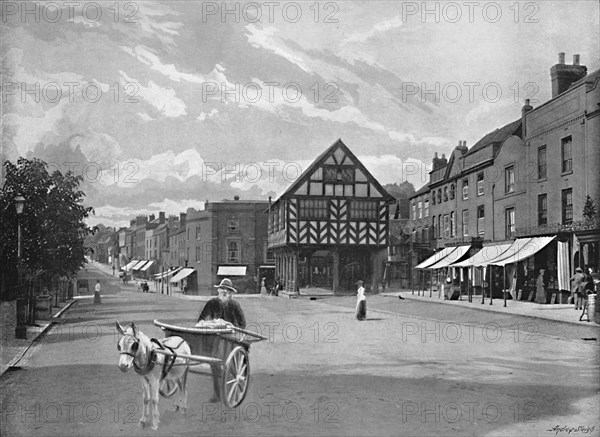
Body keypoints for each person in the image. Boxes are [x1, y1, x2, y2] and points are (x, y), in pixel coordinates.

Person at [197, 278, 246, 403]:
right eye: (223, 290)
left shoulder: (234, 305)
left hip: (230, 337)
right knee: (214, 365)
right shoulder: (211, 303)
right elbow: (201, 319)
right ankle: (217, 394)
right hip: (214, 337)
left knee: (231, 366)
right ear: (218, 291)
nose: (225, 292)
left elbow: (242, 324)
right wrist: (211, 323)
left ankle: (233, 387)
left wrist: (231, 327)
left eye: (228, 291)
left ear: (231, 293)